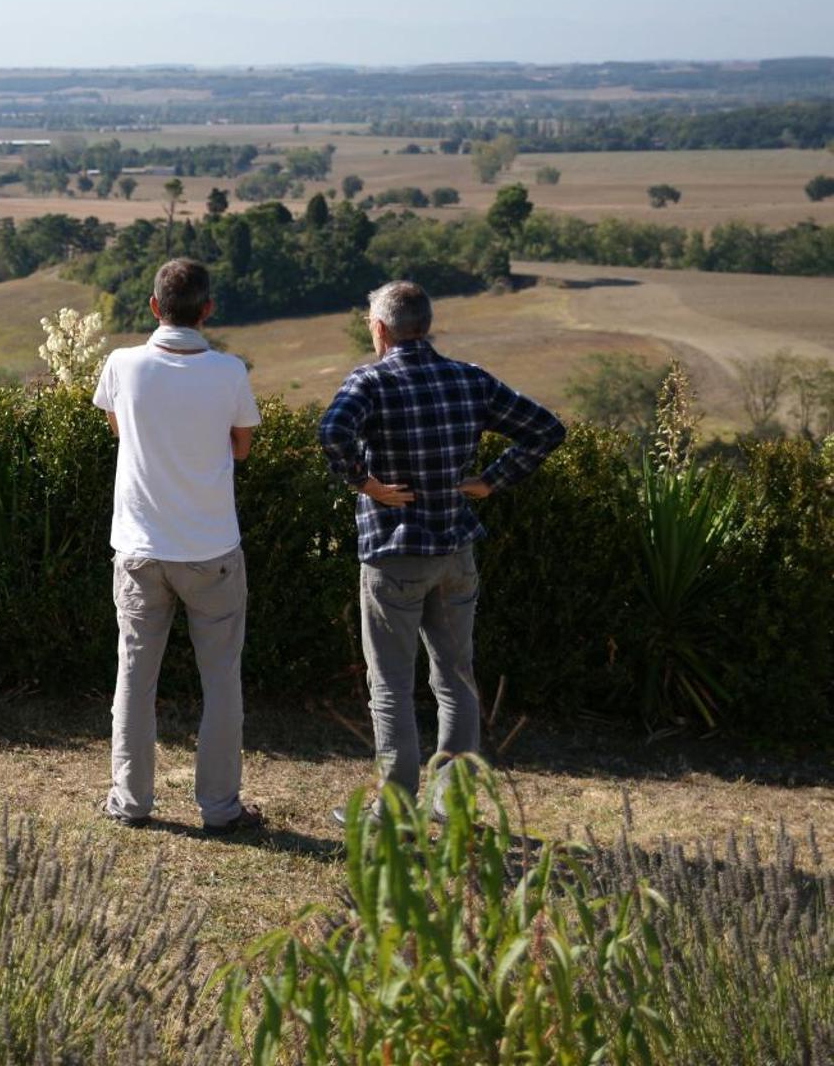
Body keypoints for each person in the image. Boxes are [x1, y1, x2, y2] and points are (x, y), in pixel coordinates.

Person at [318, 281, 565, 819]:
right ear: (425, 326)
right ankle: (452, 804)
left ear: (380, 329)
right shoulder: (468, 379)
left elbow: (333, 431)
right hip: (456, 552)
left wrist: (366, 484)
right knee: (456, 679)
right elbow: (546, 429)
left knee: (390, 685)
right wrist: (493, 480)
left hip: (395, 553)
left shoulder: (371, 381)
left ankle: (396, 807)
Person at [93, 259, 264, 832]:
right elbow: (241, 448)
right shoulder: (229, 370)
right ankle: (219, 807)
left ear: (153, 306)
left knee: (135, 679)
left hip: (141, 548)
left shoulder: (122, 364)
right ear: (207, 310)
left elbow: (119, 429)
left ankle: (130, 800)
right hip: (212, 548)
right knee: (221, 681)